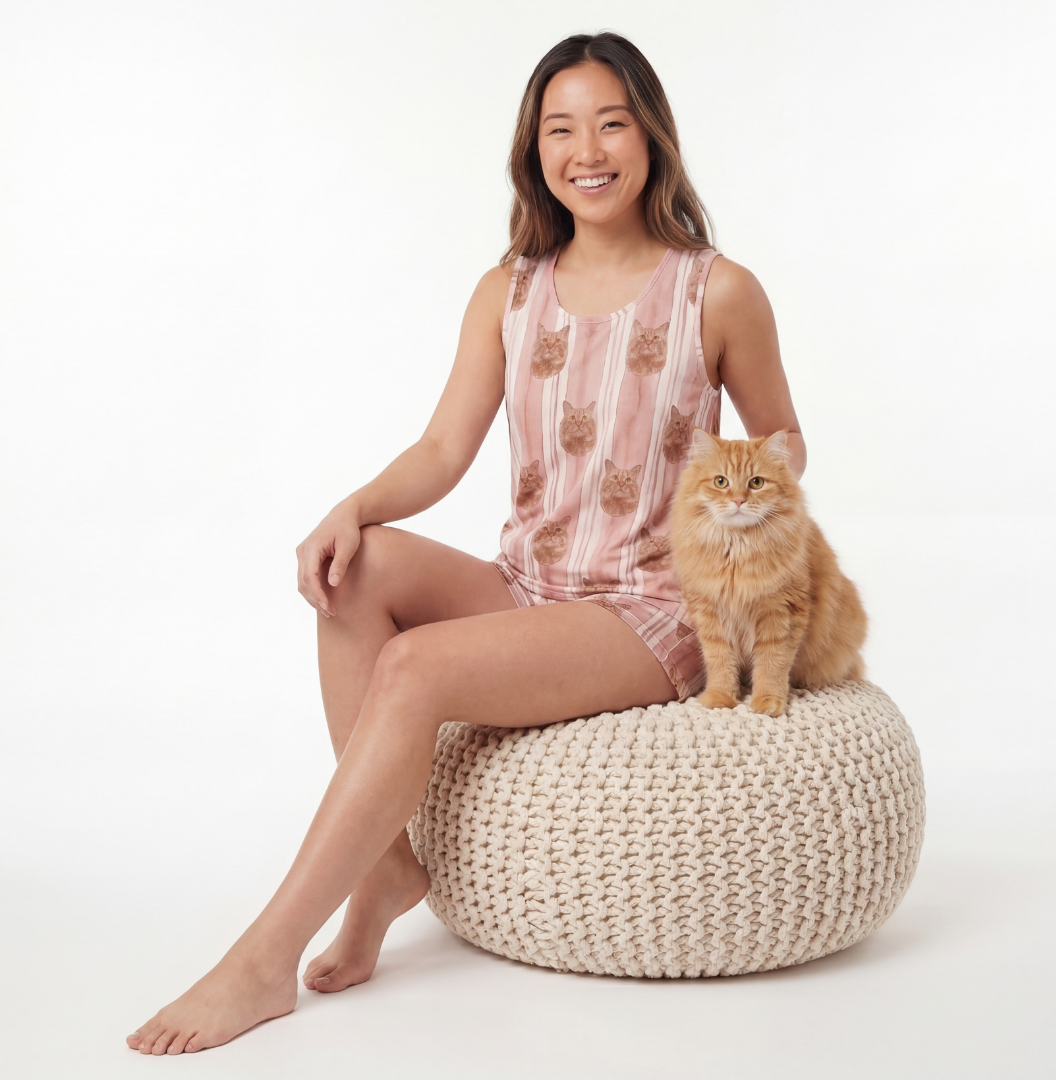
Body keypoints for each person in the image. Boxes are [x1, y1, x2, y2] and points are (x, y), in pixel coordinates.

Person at [126, 31, 805, 1055]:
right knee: (355, 571)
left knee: (414, 668)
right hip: (527, 584)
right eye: (560, 130)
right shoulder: (510, 291)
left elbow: (785, 438)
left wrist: (744, 509)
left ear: (652, 137)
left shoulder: (719, 290)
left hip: (647, 611)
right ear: (534, 150)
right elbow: (445, 449)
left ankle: (264, 957)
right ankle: (387, 868)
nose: (587, 151)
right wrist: (351, 507)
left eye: (611, 124)